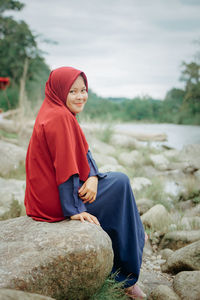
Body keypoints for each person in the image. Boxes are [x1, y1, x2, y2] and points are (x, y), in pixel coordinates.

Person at [25, 66, 147, 299]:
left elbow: (83, 154)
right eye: (73, 91)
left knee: (116, 183)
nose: (81, 96)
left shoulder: (55, 109)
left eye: (83, 90)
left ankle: (136, 234)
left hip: (46, 194)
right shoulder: (60, 117)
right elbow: (65, 168)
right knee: (119, 183)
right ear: (60, 91)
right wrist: (74, 210)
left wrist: (92, 177)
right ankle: (125, 279)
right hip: (55, 199)